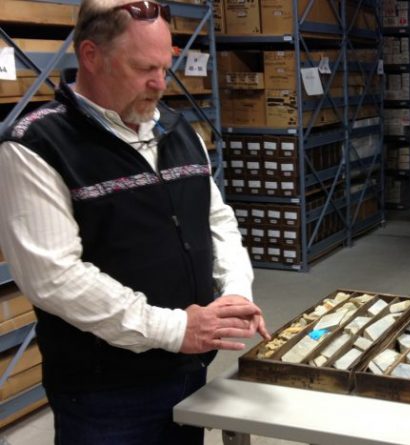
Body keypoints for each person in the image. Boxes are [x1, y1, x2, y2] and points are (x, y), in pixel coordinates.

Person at [0, 1, 268, 443]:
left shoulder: (180, 131)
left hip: (187, 369)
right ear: (91, 55)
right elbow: (54, 277)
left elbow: (216, 220)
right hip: (106, 393)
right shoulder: (37, 146)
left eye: (166, 67)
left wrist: (235, 292)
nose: (160, 84)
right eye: (144, 68)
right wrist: (177, 329)